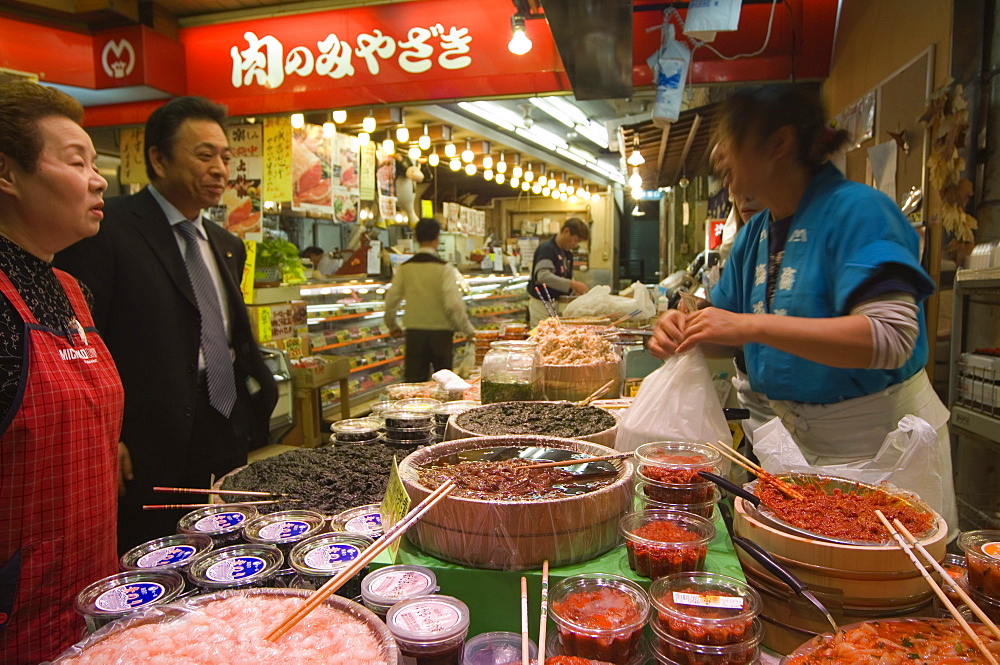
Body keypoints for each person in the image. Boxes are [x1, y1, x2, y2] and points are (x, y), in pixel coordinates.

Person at [650, 84, 956, 528]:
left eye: (729, 138)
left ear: (779, 143)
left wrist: (753, 326)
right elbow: (724, 330)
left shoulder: (860, 211)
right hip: (791, 454)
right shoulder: (753, 238)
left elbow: (890, 338)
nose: (718, 156)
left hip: (881, 454)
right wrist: (684, 328)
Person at [55, 96, 278, 552]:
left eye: (225, 156)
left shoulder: (224, 241)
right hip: (148, 432)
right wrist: (107, 433)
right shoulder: (108, 227)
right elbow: (80, 333)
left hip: (225, 413)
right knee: (155, 550)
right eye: (204, 155)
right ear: (158, 158)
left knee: (227, 536)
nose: (219, 168)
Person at [0, 81, 123, 663]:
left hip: (94, 596)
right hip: (19, 620)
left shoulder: (71, 290)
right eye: (77, 162)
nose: (99, 180)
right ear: (6, 173)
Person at [383, 217, 475, 382]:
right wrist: (468, 331)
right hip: (441, 335)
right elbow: (453, 305)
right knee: (445, 385)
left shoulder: (405, 269)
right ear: (437, 238)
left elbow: (390, 301)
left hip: (414, 335)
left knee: (414, 386)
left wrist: (392, 325)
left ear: (416, 238)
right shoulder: (444, 268)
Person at [526, 217, 589, 326]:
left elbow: (565, 277)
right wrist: (572, 284)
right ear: (566, 231)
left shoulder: (567, 253)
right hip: (542, 305)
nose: (575, 245)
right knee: (541, 338)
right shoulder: (547, 249)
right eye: (575, 240)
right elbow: (543, 276)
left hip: (556, 305)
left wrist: (573, 289)